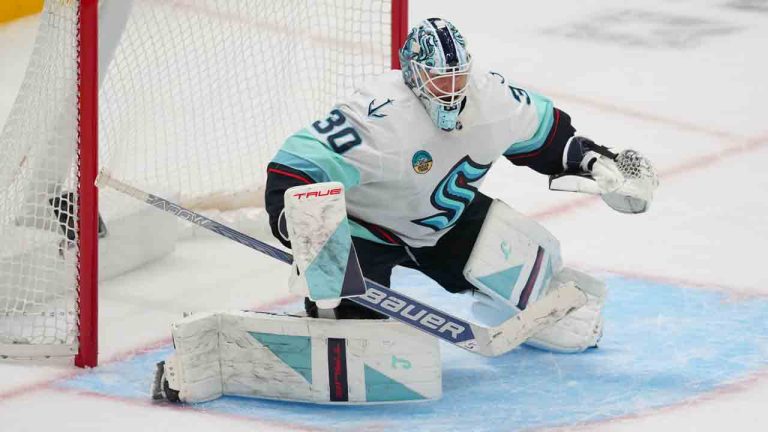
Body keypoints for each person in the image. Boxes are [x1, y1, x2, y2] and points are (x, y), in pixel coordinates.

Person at [264, 18, 656, 334]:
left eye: (457, 76)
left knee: (535, 278)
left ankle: (509, 306)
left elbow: (549, 136)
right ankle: (335, 319)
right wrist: (302, 228)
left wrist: (594, 162)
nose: (451, 90)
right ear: (414, 75)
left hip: (445, 222)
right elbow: (295, 165)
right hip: (368, 232)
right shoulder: (378, 117)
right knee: (352, 332)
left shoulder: (492, 98)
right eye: (439, 79)